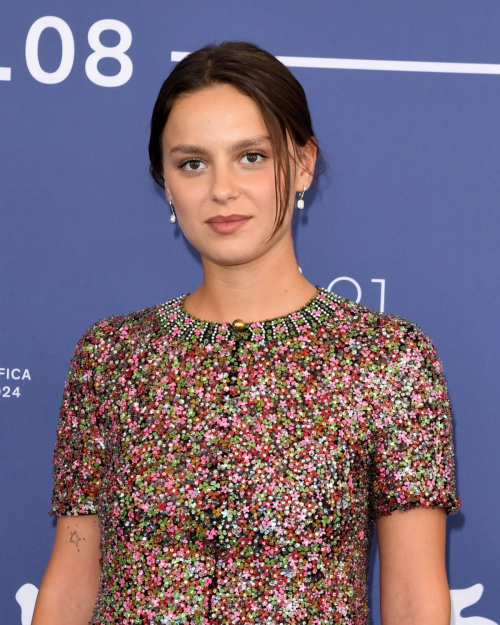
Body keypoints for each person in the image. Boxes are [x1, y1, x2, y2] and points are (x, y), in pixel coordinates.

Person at [32, 41, 461, 625]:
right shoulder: (110, 356)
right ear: (166, 181)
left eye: (251, 156)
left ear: (302, 162)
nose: (222, 189)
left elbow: (414, 601)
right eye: (192, 163)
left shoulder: (387, 359)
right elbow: (72, 583)